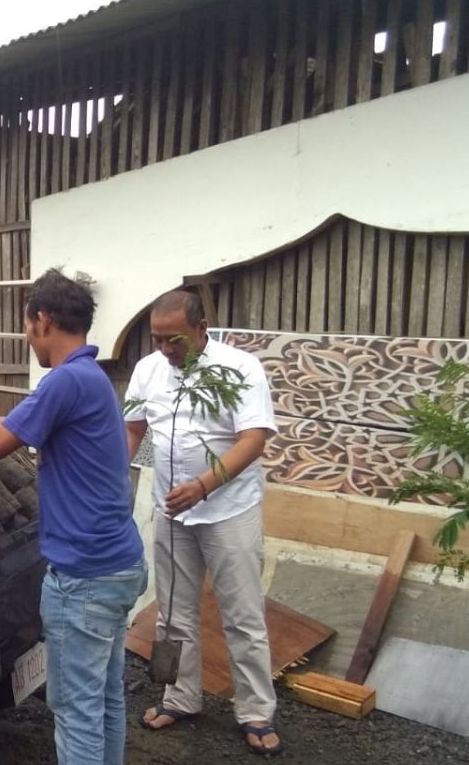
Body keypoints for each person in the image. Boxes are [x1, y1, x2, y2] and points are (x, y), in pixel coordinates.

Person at [0, 269, 146, 765]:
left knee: (75, 713)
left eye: (28, 326)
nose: (28, 337)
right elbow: (19, 425)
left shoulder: (65, 379)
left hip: (85, 580)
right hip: (118, 566)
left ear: (43, 319)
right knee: (104, 700)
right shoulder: (90, 379)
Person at [123, 290, 285, 757]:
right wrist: (116, 476)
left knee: (243, 613)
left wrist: (205, 484)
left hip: (229, 510)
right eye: (157, 339)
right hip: (172, 510)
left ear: (201, 328)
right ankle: (180, 695)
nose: (165, 349)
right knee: (173, 611)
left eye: (174, 339)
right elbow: (133, 427)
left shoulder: (240, 368)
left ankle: (256, 709)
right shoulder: (147, 369)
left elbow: (254, 438)